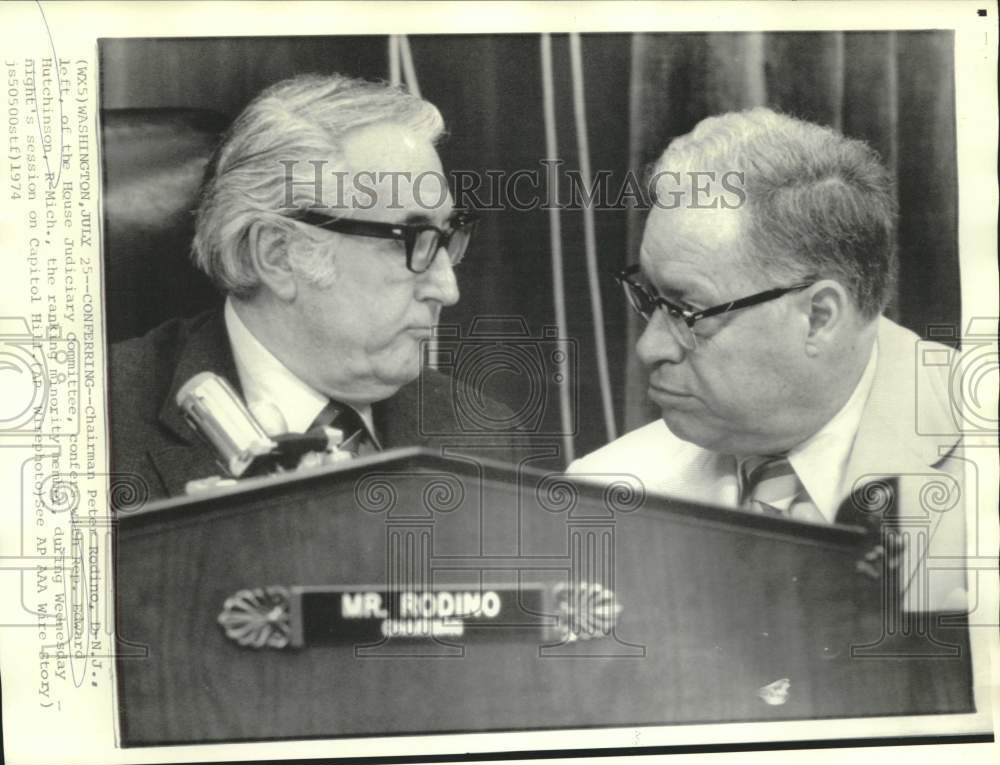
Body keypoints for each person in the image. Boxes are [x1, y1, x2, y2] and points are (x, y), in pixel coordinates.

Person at [569, 107, 967, 612]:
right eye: (650, 298)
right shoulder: (605, 491)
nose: (650, 347)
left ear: (819, 316)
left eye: (688, 310)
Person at [110, 73, 514, 501]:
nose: (447, 289)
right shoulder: (90, 422)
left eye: (447, 238)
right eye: (411, 241)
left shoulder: (482, 434)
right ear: (279, 254)